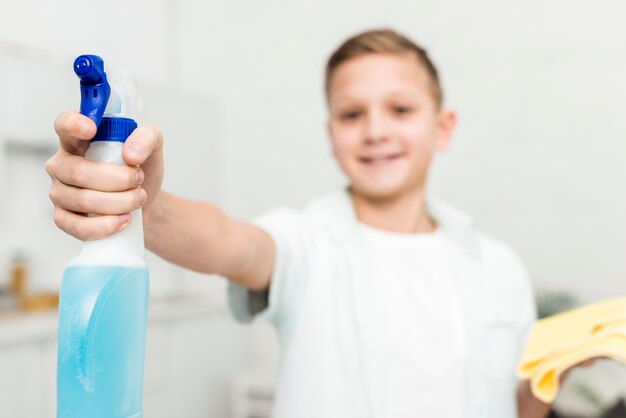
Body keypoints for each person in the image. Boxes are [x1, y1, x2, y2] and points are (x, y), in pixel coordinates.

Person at [46, 28, 569, 418]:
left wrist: (559, 369)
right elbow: (233, 244)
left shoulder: (500, 268)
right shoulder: (306, 244)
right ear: (331, 134)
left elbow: (519, 406)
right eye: (351, 114)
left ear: (443, 127)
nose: (375, 131)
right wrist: (144, 202)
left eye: (401, 109)